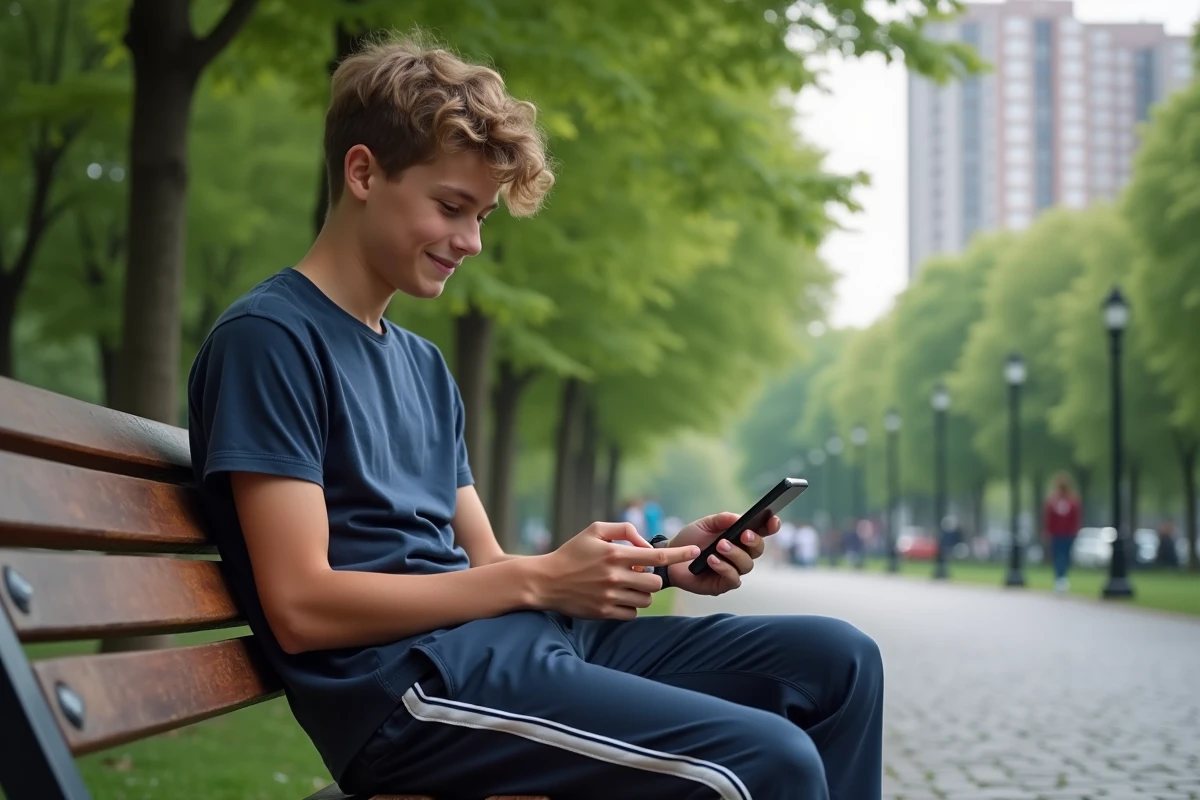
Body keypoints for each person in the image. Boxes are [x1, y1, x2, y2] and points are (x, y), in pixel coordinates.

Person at [187, 34, 882, 800]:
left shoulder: (422, 366)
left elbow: (488, 566)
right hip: (408, 694)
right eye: (451, 207)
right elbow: (302, 607)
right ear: (363, 172)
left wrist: (654, 562)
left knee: (840, 663)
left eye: (482, 216)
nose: (472, 242)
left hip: (510, 648)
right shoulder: (270, 340)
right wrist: (539, 579)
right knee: (768, 761)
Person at [1043, 472, 1082, 593]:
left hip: (1064, 533)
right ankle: (1061, 579)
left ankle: (1060, 578)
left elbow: (1075, 517)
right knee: (1061, 556)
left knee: (1061, 556)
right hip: (1061, 533)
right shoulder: (1067, 501)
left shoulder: (1061, 501)